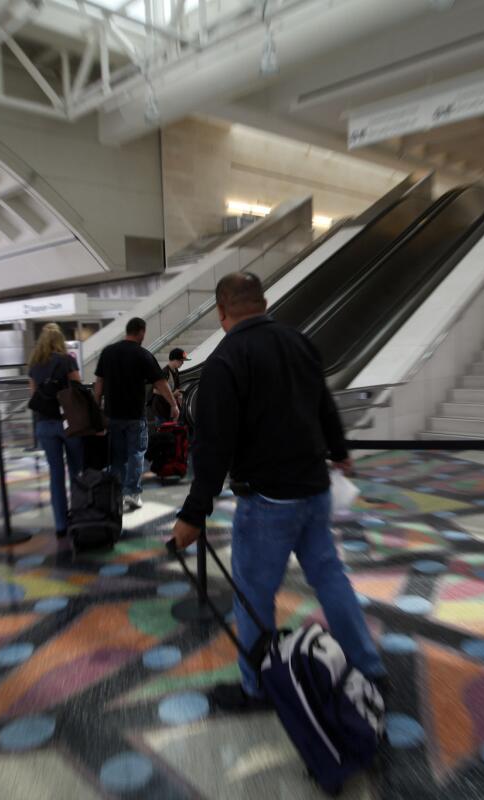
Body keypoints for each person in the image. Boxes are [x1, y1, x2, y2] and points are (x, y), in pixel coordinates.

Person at [171, 273, 387, 711]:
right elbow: (324, 403)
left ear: (221, 311)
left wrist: (195, 513)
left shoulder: (227, 359)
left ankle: (257, 688)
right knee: (330, 578)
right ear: (265, 302)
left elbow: (213, 445)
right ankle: (369, 668)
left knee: (254, 594)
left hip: (268, 501)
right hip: (315, 489)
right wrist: (340, 451)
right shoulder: (299, 342)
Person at [94, 317, 178, 511]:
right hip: (134, 416)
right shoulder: (142, 355)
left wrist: (96, 407)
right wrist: (173, 405)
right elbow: (160, 383)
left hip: (112, 415)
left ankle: (118, 493)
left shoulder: (108, 352)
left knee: (116, 457)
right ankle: (132, 493)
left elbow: (99, 383)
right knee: (136, 454)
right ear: (140, 332)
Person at [28, 323, 84, 551]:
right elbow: (78, 387)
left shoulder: (34, 365)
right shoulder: (67, 360)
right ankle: (80, 514)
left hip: (44, 425)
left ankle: (60, 524)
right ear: (59, 341)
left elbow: (33, 395)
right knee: (76, 470)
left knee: (55, 475)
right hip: (67, 423)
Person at [151, 347, 189, 426]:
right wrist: (172, 394)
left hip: (168, 408)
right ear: (175, 360)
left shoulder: (175, 371)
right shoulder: (165, 372)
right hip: (160, 409)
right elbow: (155, 390)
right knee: (163, 433)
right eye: (181, 361)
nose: (182, 363)